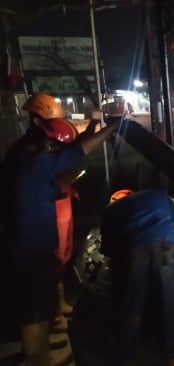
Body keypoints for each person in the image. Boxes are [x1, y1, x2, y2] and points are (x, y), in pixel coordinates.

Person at [1, 93, 119, 366]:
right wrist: (114, 126)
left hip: (26, 248)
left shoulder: (21, 152)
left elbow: (70, 149)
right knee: (33, 315)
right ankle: (37, 358)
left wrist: (92, 127)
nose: (53, 143)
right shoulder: (35, 160)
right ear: (36, 123)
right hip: (31, 251)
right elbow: (79, 151)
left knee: (39, 312)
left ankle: (40, 353)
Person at [99, 189, 174, 366]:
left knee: (129, 311)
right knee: (171, 308)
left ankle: (126, 358)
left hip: (133, 256)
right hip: (166, 250)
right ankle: (173, 360)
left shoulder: (110, 210)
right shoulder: (158, 195)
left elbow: (108, 249)